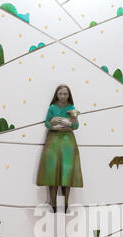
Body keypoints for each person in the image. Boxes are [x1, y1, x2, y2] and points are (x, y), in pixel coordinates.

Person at [37, 84, 83, 213]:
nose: (63, 96)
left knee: (66, 172)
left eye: (65, 94)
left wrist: (69, 124)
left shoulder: (71, 108)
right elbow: (47, 123)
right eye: (60, 94)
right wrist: (54, 126)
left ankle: (66, 202)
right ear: (57, 95)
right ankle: (53, 202)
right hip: (53, 142)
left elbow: (75, 126)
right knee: (52, 171)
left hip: (68, 143)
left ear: (69, 95)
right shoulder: (52, 107)